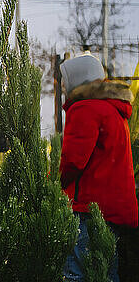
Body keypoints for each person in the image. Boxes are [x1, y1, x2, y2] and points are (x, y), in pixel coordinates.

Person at [59, 54, 137, 281]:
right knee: (107, 271)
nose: (63, 86)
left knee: (76, 271)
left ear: (79, 80)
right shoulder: (113, 108)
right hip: (112, 207)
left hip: (88, 208)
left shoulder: (85, 108)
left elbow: (73, 160)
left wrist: (55, 183)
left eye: (65, 80)